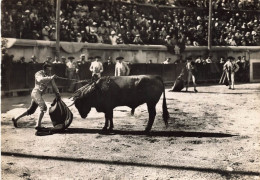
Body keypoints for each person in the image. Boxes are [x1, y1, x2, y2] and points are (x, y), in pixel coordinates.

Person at [11, 63, 60, 129]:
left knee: (31, 110)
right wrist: (50, 77)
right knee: (43, 107)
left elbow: (54, 85)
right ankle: (38, 125)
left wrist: (57, 93)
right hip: (35, 93)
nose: (50, 72)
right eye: (48, 70)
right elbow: (40, 79)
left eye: (50, 70)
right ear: (44, 69)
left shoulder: (50, 75)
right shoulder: (38, 73)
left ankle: (15, 118)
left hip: (39, 94)